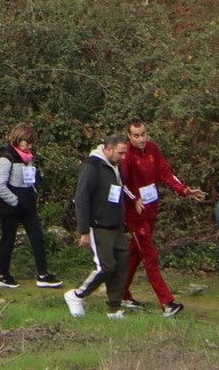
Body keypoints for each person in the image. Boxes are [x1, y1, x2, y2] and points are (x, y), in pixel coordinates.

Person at [118, 119, 200, 316]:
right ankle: (167, 302)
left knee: (135, 253)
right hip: (135, 214)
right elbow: (121, 182)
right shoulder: (127, 156)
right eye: (136, 136)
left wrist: (183, 190)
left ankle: (122, 293)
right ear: (129, 136)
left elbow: (165, 172)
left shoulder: (153, 149)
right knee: (150, 255)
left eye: (143, 134)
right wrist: (133, 199)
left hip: (151, 209)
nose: (141, 139)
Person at [66, 133, 130, 318]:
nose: (123, 157)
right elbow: (81, 198)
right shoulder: (92, 166)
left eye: (125, 153)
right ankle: (77, 295)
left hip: (116, 225)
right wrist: (84, 231)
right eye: (120, 153)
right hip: (98, 225)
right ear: (108, 149)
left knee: (122, 263)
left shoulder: (116, 166)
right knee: (106, 266)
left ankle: (114, 308)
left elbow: (121, 190)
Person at [0, 124, 60, 289]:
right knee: (8, 239)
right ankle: (3, 274)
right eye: (26, 143)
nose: (29, 146)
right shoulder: (6, 158)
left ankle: (43, 274)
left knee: (37, 236)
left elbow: (30, 180)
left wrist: (33, 193)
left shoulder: (29, 157)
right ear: (17, 140)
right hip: (10, 206)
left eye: (31, 143)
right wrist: (15, 201)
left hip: (28, 205)